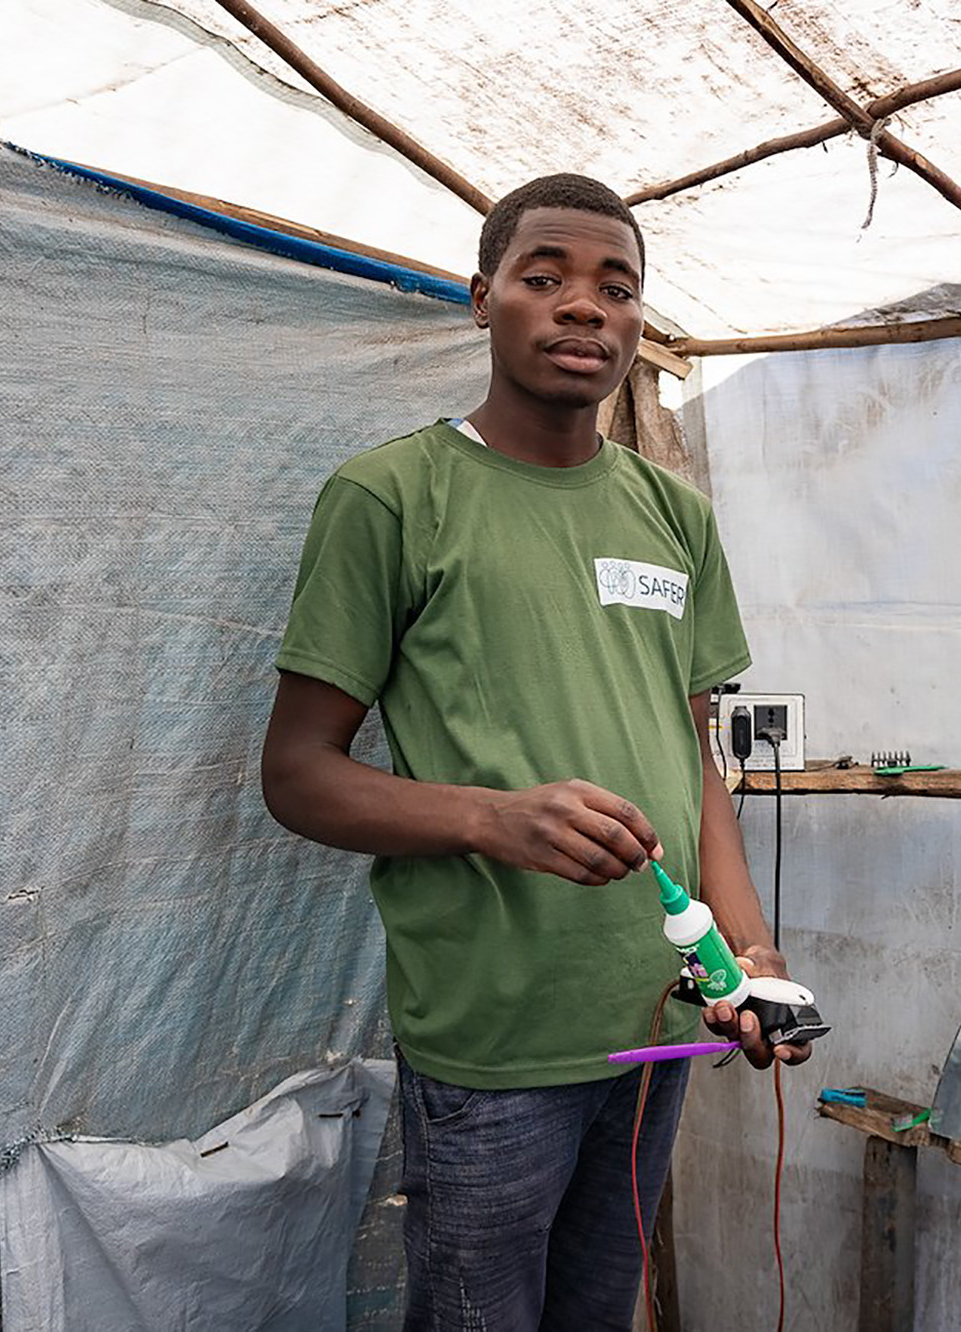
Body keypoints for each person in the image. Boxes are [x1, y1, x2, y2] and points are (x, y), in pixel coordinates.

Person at [260, 173, 807, 1332]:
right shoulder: (390, 496)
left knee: (596, 1313)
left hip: (657, 1025)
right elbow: (296, 773)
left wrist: (747, 954)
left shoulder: (674, 517)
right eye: (543, 277)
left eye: (617, 288)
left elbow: (692, 756)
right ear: (480, 300)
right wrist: (490, 818)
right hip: (493, 1046)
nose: (583, 309)